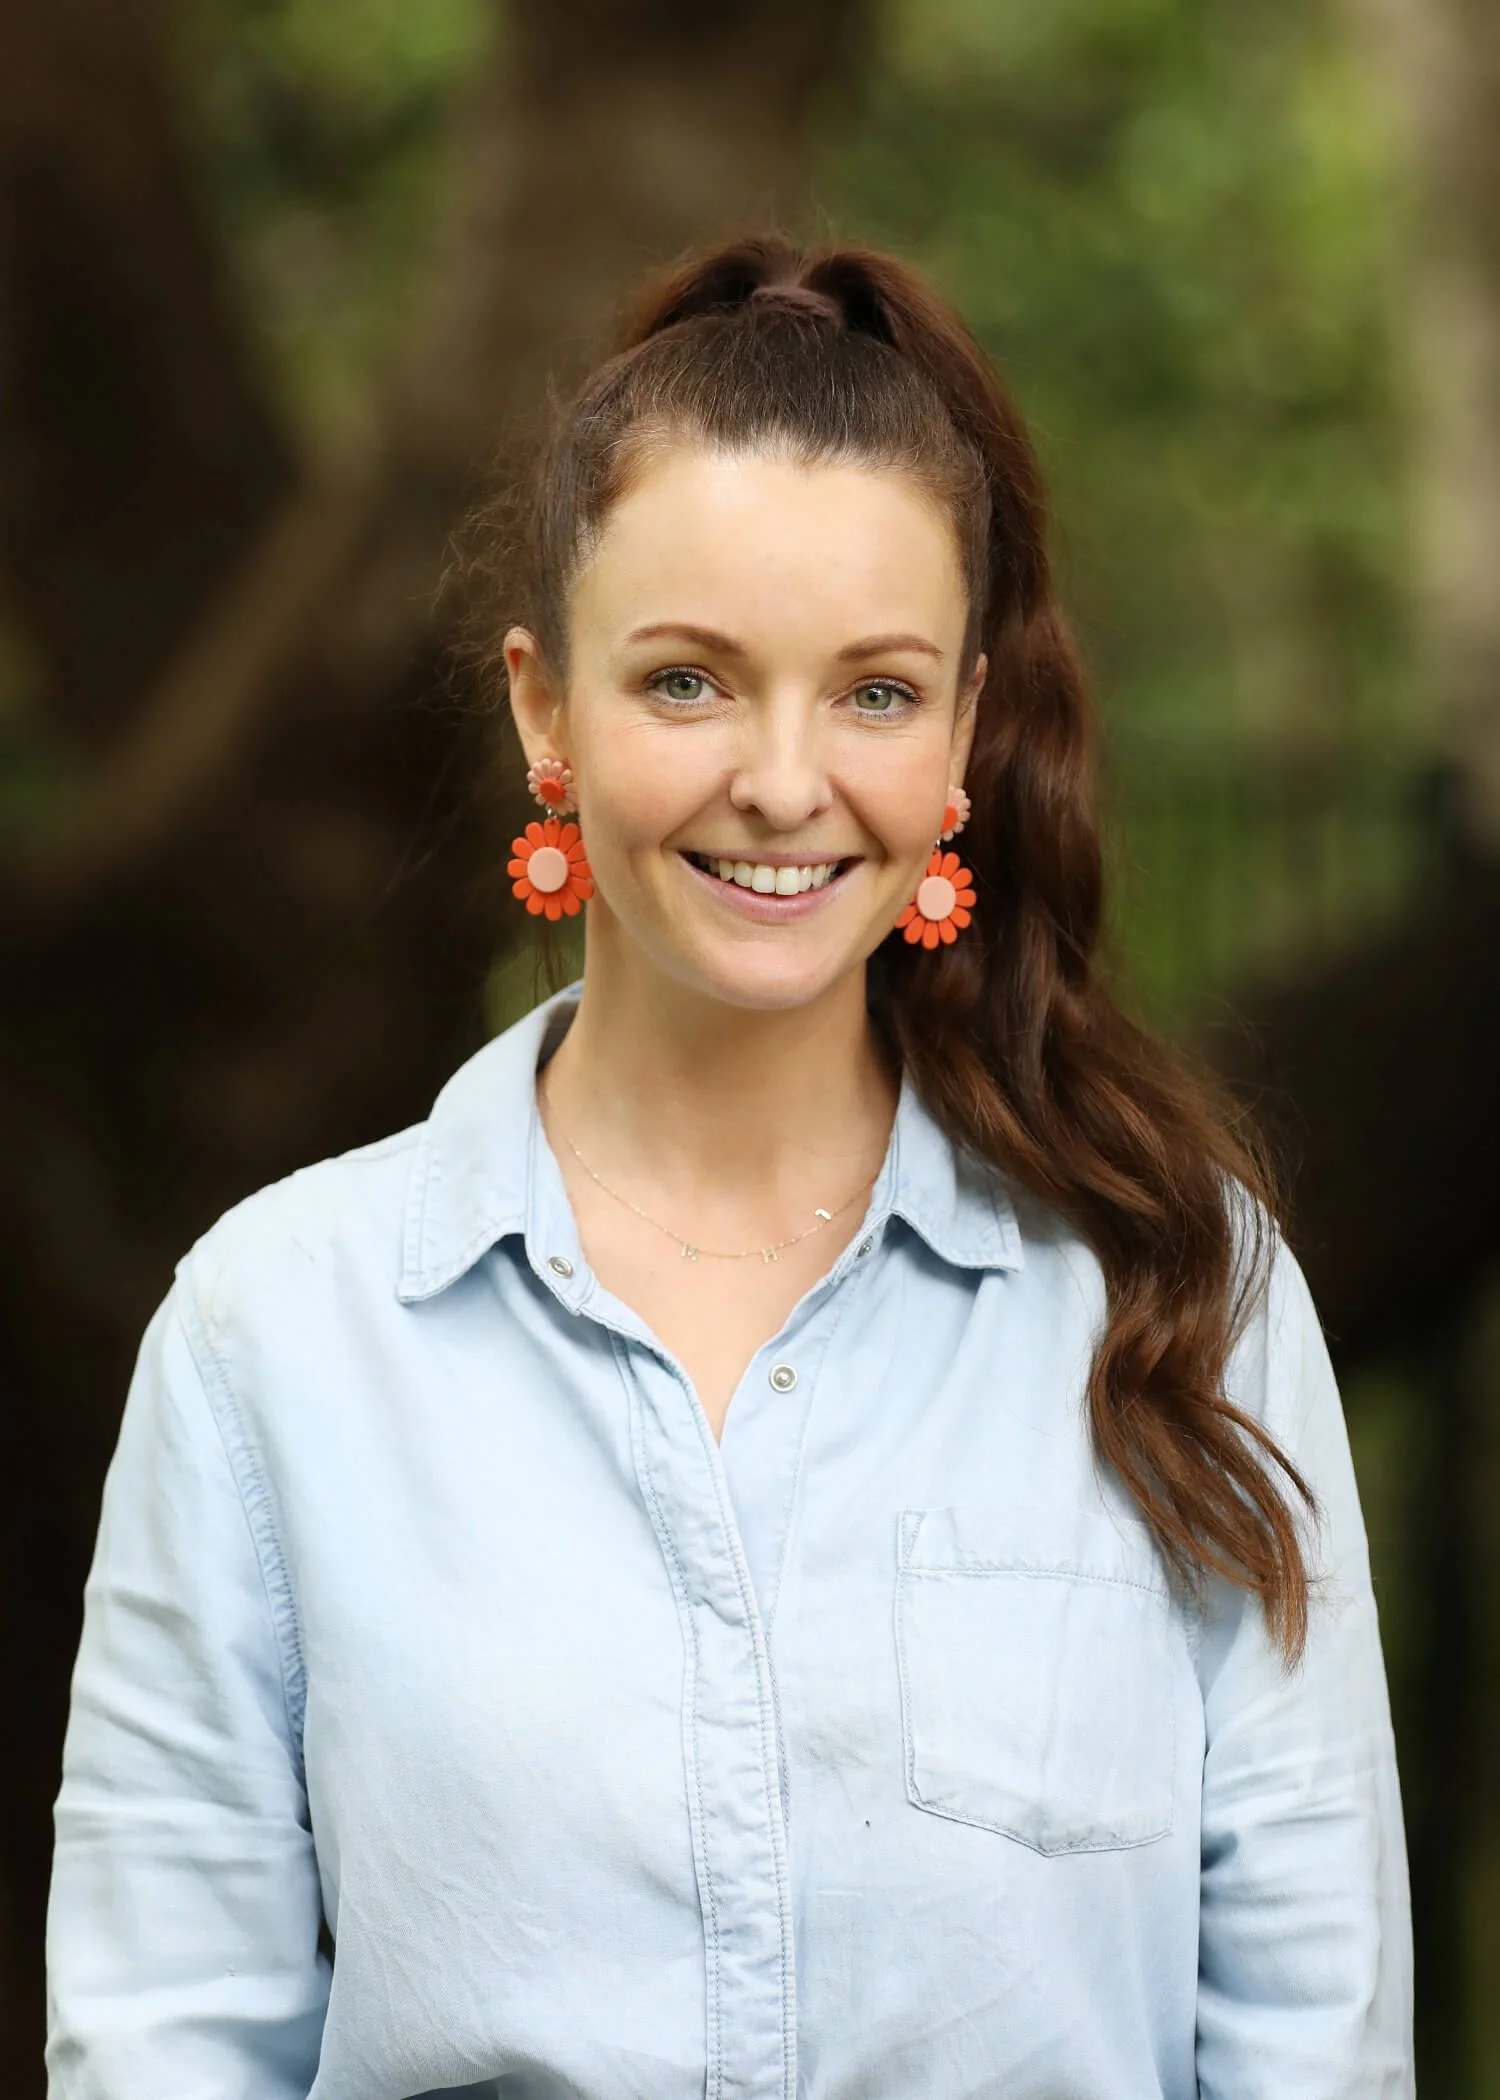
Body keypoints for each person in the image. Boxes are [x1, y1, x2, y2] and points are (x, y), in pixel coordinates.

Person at [45, 234, 1412, 2099]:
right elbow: (162, 2046)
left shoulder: (1185, 1295)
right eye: (688, 682)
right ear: (545, 707)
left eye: (872, 690)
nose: (784, 780)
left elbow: (1315, 2046)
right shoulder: (269, 1339)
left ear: (965, 733)